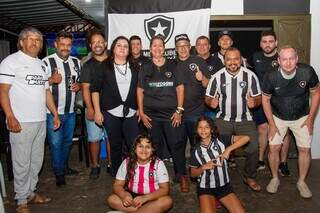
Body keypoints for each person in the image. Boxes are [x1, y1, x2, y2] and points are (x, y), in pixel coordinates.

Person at [0, 27, 60, 212]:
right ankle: (20, 201)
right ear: (21, 42)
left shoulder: (40, 64)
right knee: (21, 162)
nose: (35, 43)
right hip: (20, 121)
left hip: (40, 119)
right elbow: (3, 91)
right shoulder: (10, 62)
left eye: (39, 40)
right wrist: (10, 116)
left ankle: (30, 192)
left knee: (36, 160)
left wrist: (55, 113)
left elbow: (45, 91)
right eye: (31, 39)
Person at [262, 45, 320, 198]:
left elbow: (316, 94)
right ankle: (275, 178)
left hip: (301, 117)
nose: (288, 63)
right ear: (279, 61)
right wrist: (272, 124)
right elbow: (265, 99)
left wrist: (311, 119)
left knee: (304, 150)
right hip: (278, 117)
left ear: (297, 59)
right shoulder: (271, 76)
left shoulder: (307, 72)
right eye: (284, 59)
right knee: (274, 148)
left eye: (291, 59)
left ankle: (301, 182)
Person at [205, 47, 262, 192]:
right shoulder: (217, 77)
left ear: (241, 59)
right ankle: (217, 177)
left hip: (245, 119)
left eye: (236, 59)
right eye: (229, 59)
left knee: (254, 148)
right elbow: (208, 97)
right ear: (224, 61)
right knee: (214, 147)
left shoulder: (250, 76)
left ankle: (249, 176)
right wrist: (210, 102)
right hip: (223, 119)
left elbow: (258, 98)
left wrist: (254, 103)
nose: (232, 62)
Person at [137, 35, 187, 192]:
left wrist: (179, 110)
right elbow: (140, 90)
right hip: (151, 116)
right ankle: (157, 177)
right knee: (155, 146)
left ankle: (182, 176)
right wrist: (142, 112)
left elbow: (180, 88)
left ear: (164, 48)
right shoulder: (145, 67)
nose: (157, 49)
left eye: (160, 46)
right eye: (154, 46)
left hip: (171, 115)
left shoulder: (173, 65)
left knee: (176, 145)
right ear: (150, 49)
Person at [92, 36, 139, 177]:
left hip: (131, 112)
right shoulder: (104, 66)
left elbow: (139, 90)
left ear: (129, 50)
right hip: (111, 112)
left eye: (126, 46)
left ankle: (133, 172)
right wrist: (97, 112)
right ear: (113, 48)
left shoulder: (135, 67)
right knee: (115, 144)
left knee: (133, 144)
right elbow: (94, 90)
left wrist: (139, 109)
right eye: (119, 45)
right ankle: (117, 174)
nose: (123, 48)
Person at [248, 31, 291, 174]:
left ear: (276, 43)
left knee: (284, 133)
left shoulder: (283, 57)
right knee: (262, 130)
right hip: (262, 100)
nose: (267, 44)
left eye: (270, 41)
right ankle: (260, 160)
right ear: (261, 43)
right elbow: (245, 67)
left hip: (281, 101)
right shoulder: (256, 57)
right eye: (264, 41)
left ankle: (283, 163)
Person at [42, 31, 81, 186]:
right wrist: (51, 80)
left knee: (67, 143)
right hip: (53, 113)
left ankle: (64, 167)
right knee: (56, 144)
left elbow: (78, 84)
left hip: (70, 111)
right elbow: (39, 86)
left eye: (68, 45)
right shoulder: (45, 62)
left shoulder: (76, 62)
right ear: (56, 45)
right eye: (62, 44)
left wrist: (78, 87)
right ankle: (59, 173)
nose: (65, 48)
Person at [190, 116, 249, 213]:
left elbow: (246, 138)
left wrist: (228, 149)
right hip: (206, 188)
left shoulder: (221, 140)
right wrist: (203, 167)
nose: (203, 130)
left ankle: (217, 201)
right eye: (200, 127)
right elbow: (192, 174)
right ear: (197, 130)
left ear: (212, 129)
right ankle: (212, 201)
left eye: (206, 127)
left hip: (224, 186)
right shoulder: (195, 150)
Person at [107, 135, 173, 212]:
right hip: (133, 198)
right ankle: (145, 211)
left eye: (147, 147)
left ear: (152, 150)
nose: (144, 150)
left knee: (167, 201)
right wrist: (124, 195)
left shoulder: (158, 164)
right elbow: (117, 185)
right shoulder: (127, 162)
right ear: (134, 149)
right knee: (111, 199)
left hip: (152, 198)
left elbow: (165, 189)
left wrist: (145, 198)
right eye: (140, 146)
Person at [79, 29, 109, 179]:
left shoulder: (113, 61)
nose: (97, 44)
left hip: (111, 109)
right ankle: (95, 166)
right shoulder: (88, 65)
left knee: (111, 138)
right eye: (94, 42)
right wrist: (90, 108)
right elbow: (85, 88)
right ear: (91, 46)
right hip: (92, 108)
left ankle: (111, 165)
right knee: (94, 138)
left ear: (105, 43)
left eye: (100, 41)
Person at [195, 35, 219, 120]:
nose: (202, 47)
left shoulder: (217, 61)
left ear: (209, 46)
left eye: (205, 44)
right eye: (199, 44)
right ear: (195, 47)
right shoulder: (190, 62)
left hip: (211, 106)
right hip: (194, 108)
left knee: (213, 131)